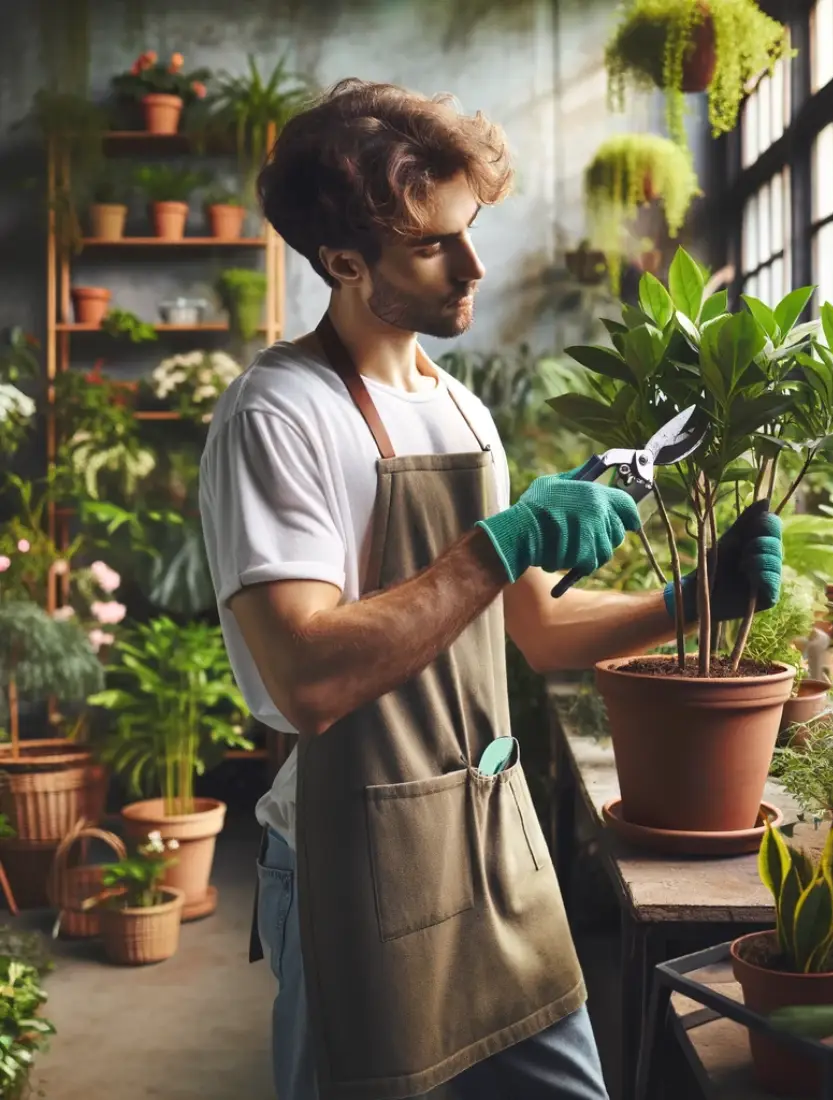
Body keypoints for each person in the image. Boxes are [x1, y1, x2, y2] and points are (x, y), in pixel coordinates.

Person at [198, 79, 783, 1100]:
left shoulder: (462, 410)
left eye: (471, 229)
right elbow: (307, 676)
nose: (475, 264)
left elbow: (539, 632)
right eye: (434, 244)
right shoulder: (278, 414)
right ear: (343, 261)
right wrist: (497, 544)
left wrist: (691, 602)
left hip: (492, 830)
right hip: (357, 849)